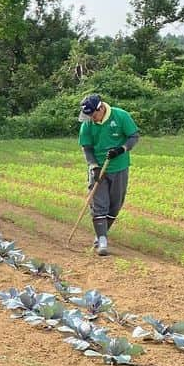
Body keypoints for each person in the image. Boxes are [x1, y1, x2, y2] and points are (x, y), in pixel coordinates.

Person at [78, 93, 139, 256]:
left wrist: (122, 149)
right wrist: (93, 166)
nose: (91, 118)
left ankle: (102, 234)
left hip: (119, 167)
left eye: (93, 114)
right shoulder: (88, 124)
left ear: (101, 108)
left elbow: (133, 136)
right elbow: (87, 147)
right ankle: (102, 240)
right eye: (88, 115)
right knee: (99, 204)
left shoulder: (121, 116)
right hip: (98, 167)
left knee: (115, 205)